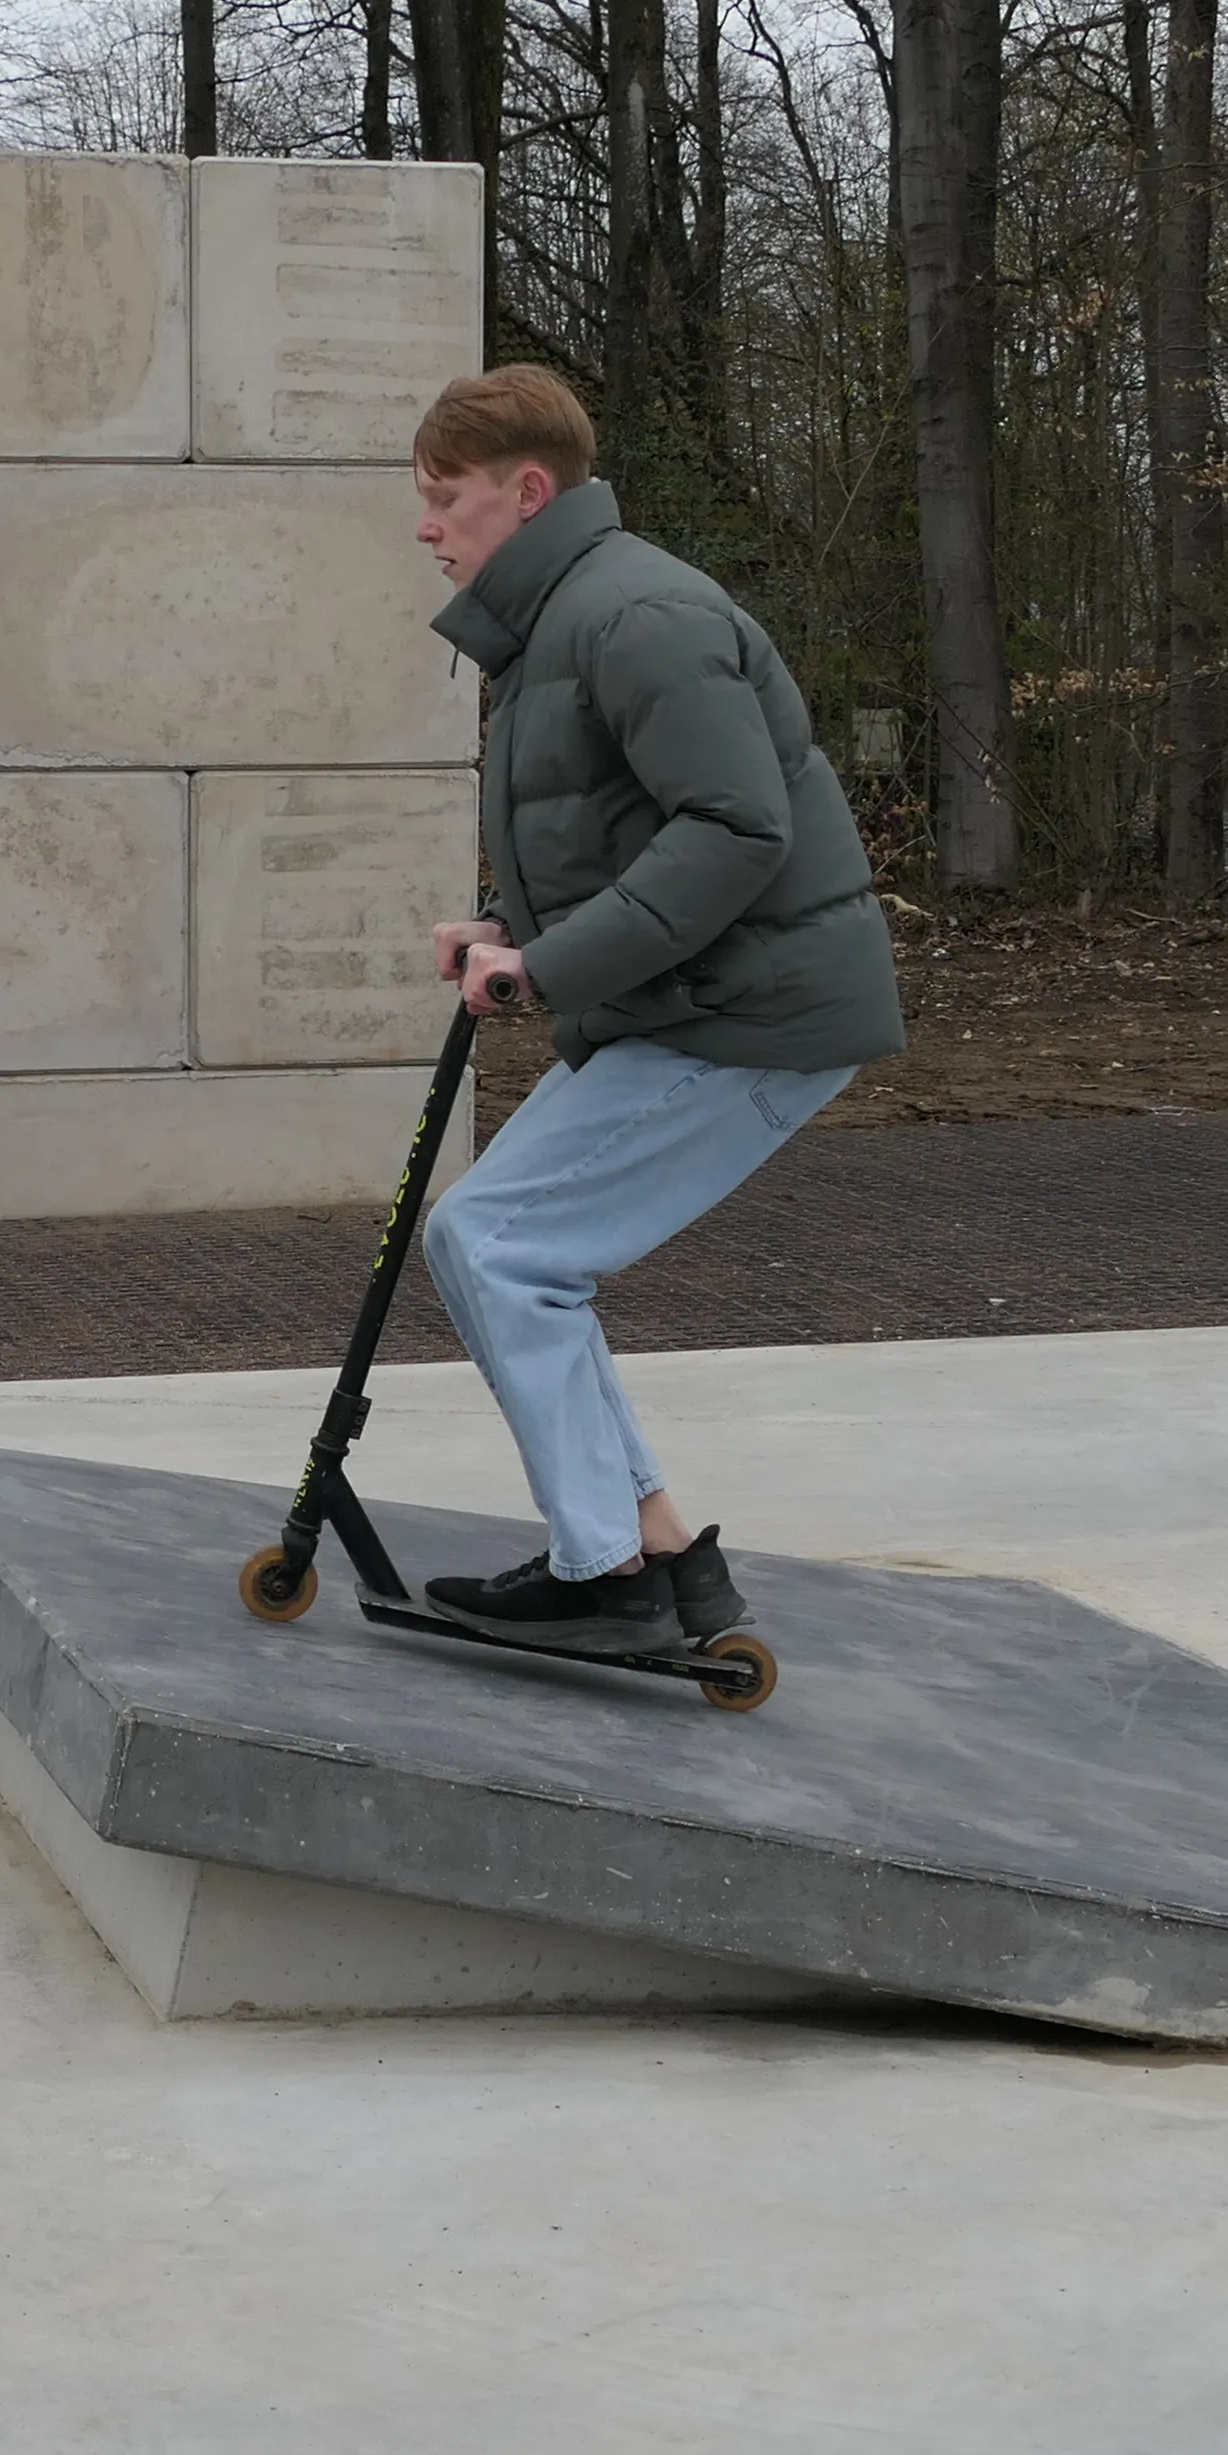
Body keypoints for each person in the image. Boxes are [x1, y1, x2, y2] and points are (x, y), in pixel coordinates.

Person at [405, 365, 906, 1648]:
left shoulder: (637, 618)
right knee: (498, 1249)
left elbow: (737, 831)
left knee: (502, 1248)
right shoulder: (567, 621)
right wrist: (512, 931)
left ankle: (610, 1570)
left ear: (527, 492)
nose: (427, 528)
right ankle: (655, 1550)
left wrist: (552, 969)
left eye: (444, 498)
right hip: (696, 1002)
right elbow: (622, 835)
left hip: (747, 1015)